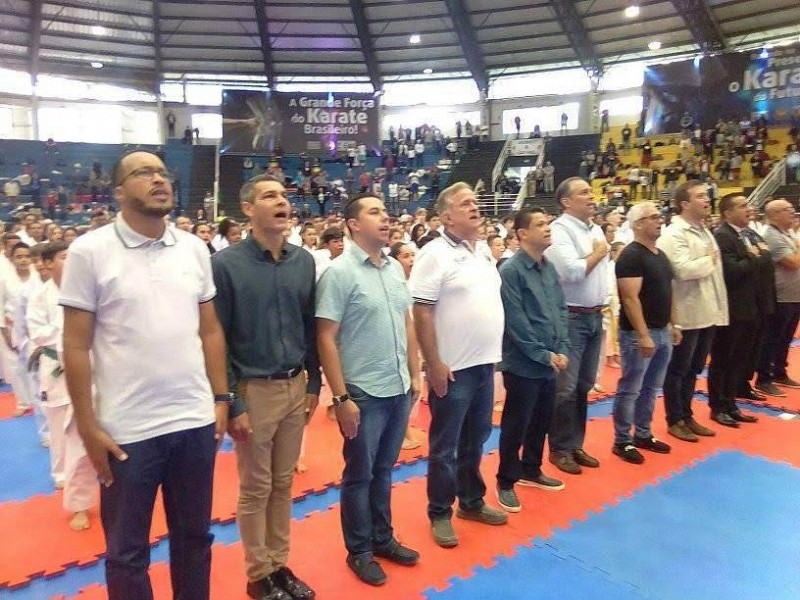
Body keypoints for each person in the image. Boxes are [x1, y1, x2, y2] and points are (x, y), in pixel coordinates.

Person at [60, 150, 233, 600]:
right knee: (126, 553)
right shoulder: (89, 251)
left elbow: (210, 330)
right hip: (127, 431)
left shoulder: (193, 248)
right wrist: (87, 426)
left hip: (193, 421)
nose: (158, 179)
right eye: (143, 173)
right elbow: (75, 345)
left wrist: (221, 398)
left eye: (162, 172)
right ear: (119, 192)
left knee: (194, 539)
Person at [212, 173, 318, 600]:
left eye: (284, 195)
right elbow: (216, 337)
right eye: (269, 195)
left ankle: (279, 565)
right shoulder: (226, 265)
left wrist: (315, 383)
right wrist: (231, 400)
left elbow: (310, 327)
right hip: (252, 390)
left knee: (283, 482)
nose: (281, 201)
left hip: (295, 385)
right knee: (256, 487)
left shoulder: (303, 261)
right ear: (248, 209)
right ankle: (259, 575)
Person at [317, 193, 422, 586]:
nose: (386, 217)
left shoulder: (394, 268)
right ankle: (359, 550)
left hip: (397, 386)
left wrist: (414, 373)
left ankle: (383, 537)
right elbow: (325, 337)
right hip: (363, 391)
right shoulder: (339, 273)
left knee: (383, 470)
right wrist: (341, 397)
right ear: (353, 224)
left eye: (386, 211)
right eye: (375, 212)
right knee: (359, 474)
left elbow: (406, 322)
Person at [410, 182, 508, 549]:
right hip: (452, 368)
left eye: (475, 201)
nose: (475, 207)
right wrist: (433, 363)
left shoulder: (482, 251)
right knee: (445, 445)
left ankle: (471, 500)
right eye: (465, 203)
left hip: (484, 363)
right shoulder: (434, 253)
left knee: (476, 438)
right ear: (446, 216)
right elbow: (421, 311)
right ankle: (439, 511)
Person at [495, 208, 569, 513]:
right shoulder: (511, 270)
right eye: (540, 224)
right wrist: (543, 354)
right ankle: (506, 480)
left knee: (541, 419)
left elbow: (560, 308)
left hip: (550, 360)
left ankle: (531, 469)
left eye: (548, 222)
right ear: (522, 234)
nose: (548, 228)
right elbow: (516, 321)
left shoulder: (548, 267)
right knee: (516, 423)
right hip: (523, 363)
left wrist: (562, 347)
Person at [28, 241, 98, 530]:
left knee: (88, 437)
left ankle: (91, 491)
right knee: (62, 435)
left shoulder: (89, 289)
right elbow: (37, 334)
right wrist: (67, 329)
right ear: (47, 263)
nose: (70, 262)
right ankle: (73, 493)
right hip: (56, 369)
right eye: (63, 257)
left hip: (92, 369)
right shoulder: (39, 296)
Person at [543, 177, 609, 475]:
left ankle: (575, 443)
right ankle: (559, 448)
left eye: (591, 191)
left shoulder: (594, 229)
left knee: (583, 385)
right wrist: (597, 253)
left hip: (594, 314)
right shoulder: (559, 230)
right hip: (571, 317)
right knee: (566, 388)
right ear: (566, 202)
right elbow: (570, 272)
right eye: (584, 193)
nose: (591, 196)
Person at [656, 180, 728, 443]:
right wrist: (708, 260)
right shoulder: (673, 233)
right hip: (685, 312)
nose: (707, 200)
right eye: (700, 196)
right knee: (678, 368)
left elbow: (713, 271)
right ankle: (674, 418)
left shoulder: (705, 230)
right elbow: (680, 270)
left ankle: (687, 415)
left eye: (707, 195)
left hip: (707, 309)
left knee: (694, 368)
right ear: (684, 204)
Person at [613, 202, 677, 464]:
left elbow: (669, 292)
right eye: (653, 217)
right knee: (631, 387)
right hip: (639, 334)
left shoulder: (660, 255)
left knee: (651, 387)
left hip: (662, 330)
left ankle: (643, 433)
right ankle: (622, 440)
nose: (659, 220)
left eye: (660, 216)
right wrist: (642, 335)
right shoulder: (631, 256)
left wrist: (675, 324)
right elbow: (630, 299)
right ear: (638, 224)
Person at [706, 195, 763, 427]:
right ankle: (718, 407)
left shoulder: (745, 234)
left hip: (749, 307)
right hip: (731, 309)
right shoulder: (723, 235)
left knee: (739, 360)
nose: (748, 209)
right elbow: (731, 272)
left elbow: (761, 260)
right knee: (723, 359)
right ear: (728, 213)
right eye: (742, 206)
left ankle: (731, 404)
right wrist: (753, 256)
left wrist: (753, 257)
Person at [755, 198, 800, 397]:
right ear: (774, 214)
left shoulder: (786, 233)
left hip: (793, 296)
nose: (793, 212)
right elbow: (792, 262)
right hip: (780, 298)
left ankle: (780, 372)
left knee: (785, 338)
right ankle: (764, 378)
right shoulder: (771, 235)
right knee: (771, 339)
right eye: (787, 209)